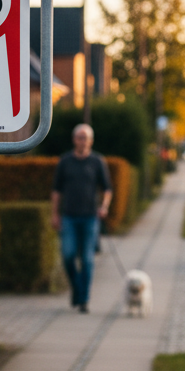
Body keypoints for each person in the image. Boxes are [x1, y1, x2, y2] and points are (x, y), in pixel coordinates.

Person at [51, 124, 112, 313]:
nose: (82, 141)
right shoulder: (65, 162)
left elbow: (107, 189)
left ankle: (83, 299)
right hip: (68, 216)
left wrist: (104, 207)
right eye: (79, 137)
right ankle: (77, 289)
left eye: (85, 137)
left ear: (91, 141)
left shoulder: (97, 162)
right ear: (74, 139)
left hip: (90, 218)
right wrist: (55, 214)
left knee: (87, 259)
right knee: (68, 255)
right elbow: (56, 190)